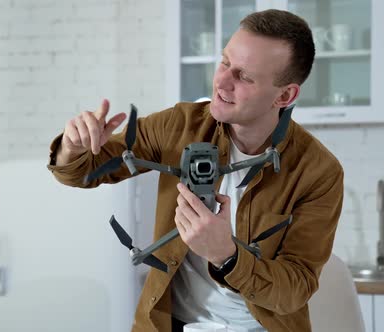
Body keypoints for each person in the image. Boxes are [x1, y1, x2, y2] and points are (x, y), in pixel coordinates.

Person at [48, 9, 343, 332]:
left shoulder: (318, 172)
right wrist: (72, 146)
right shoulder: (181, 125)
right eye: (225, 62)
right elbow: (81, 172)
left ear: (285, 95)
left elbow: (295, 289)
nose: (222, 82)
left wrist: (226, 256)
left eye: (244, 76)